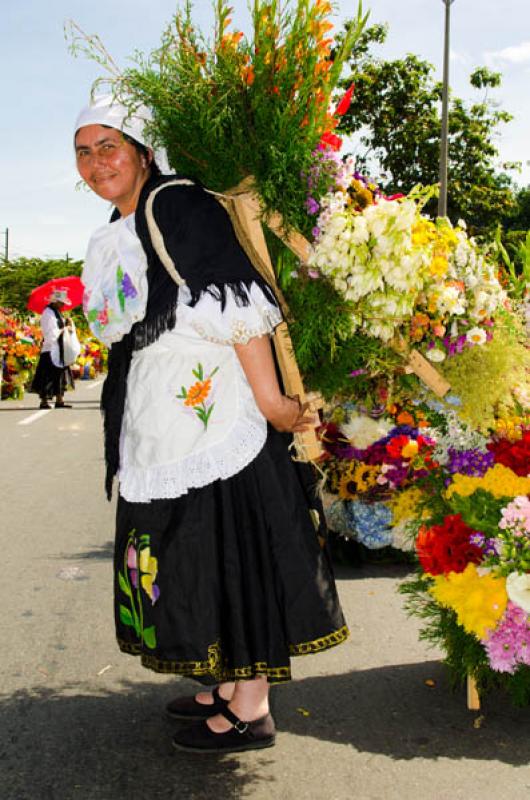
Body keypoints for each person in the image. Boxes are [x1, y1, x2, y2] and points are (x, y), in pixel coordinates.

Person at [75, 95, 349, 754]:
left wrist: (274, 404)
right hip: (164, 423)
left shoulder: (177, 204)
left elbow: (237, 301)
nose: (96, 161)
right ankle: (227, 682)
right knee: (193, 551)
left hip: (217, 420)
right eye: (83, 151)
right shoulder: (121, 223)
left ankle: (251, 706)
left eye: (108, 145)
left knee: (233, 554)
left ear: (141, 151)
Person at [31, 289, 74, 409]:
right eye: (61, 302)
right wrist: (65, 328)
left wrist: (67, 323)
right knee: (47, 376)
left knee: (59, 375)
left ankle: (59, 400)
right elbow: (51, 333)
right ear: (55, 302)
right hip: (50, 349)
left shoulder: (57, 312)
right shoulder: (48, 313)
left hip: (59, 348)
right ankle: (44, 401)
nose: (63, 305)